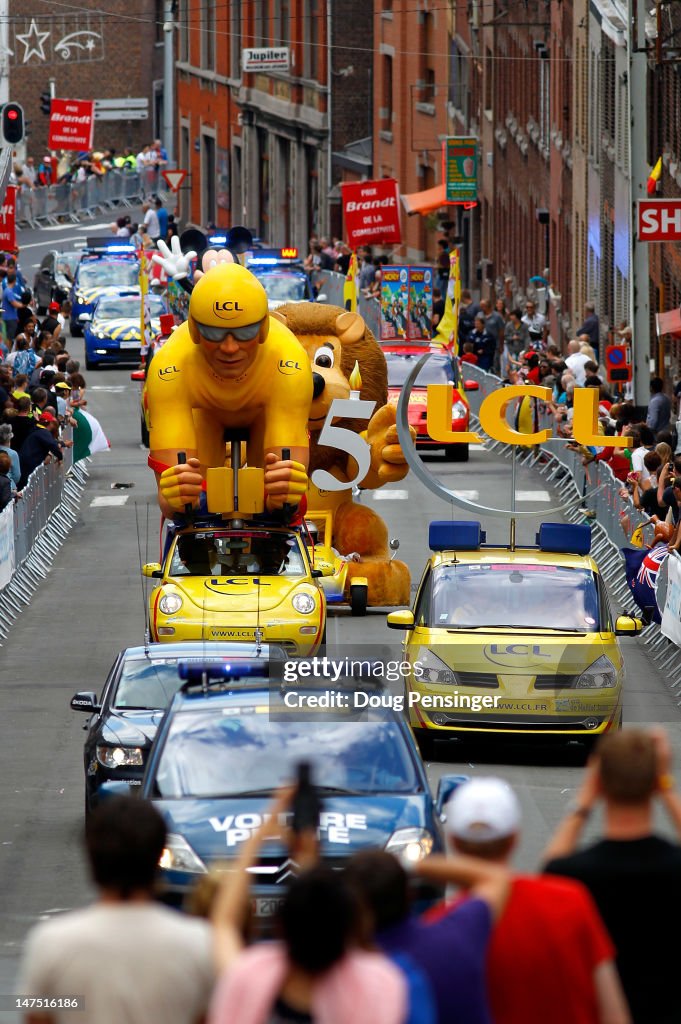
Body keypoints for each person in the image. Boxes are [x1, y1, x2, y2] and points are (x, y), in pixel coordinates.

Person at [425, 777, 630, 1024]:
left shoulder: (436, 928)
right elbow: (614, 1012)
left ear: (454, 841)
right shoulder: (571, 902)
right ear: (515, 838)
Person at [18, 796, 214, 1024]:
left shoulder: (51, 943)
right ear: (159, 857)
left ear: (91, 858)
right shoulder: (199, 943)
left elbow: (35, 1015)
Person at [147, 251, 312, 519]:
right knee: (194, 502)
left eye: (244, 332)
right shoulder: (170, 366)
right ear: (194, 331)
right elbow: (170, 502)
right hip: (205, 413)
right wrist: (178, 498)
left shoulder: (288, 360)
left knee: (275, 496)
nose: (230, 348)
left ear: (263, 330)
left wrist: (284, 496)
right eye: (214, 333)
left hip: (265, 411)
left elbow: (290, 501)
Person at [543, 728, 681, 1024]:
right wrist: (666, 786)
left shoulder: (573, 875)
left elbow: (548, 870)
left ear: (599, 783)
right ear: (655, 783)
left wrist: (583, 801)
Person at [346, 848, 509, 1024]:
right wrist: (407, 865)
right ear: (410, 895)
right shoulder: (458, 936)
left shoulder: (341, 976)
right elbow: (494, 877)